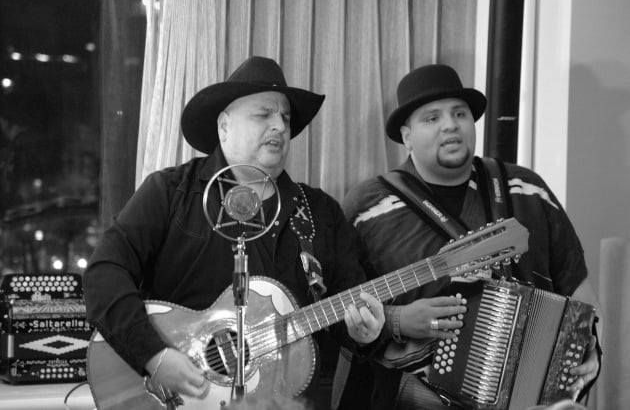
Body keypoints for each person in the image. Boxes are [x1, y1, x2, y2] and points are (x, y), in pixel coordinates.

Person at [83, 56, 384, 408]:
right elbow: (104, 274)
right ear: (224, 126)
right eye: (263, 114)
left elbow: (349, 307)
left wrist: (364, 332)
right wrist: (153, 355)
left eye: (285, 118)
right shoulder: (171, 192)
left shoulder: (320, 212)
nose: (279, 126)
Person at [338, 64, 602, 409]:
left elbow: (578, 288)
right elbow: (341, 313)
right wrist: (398, 320)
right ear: (406, 136)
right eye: (432, 118)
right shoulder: (366, 207)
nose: (450, 124)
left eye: (459, 113)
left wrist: (591, 347)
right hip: (414, 400)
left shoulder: (527, 189)